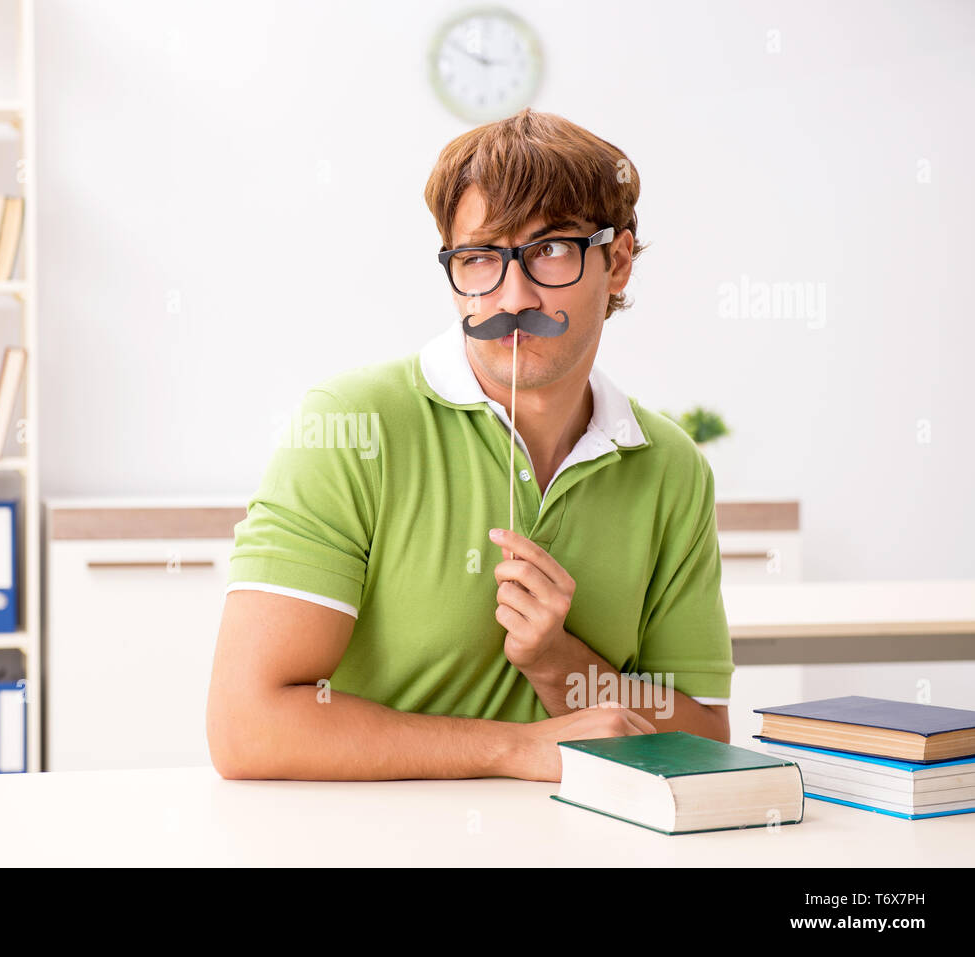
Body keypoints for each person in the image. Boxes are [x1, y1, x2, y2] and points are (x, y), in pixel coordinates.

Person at [207, 109, 733, 782]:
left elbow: (706, 740)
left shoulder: (670, 467)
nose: (512, 295)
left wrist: (557, 661)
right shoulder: (350, 426)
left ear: (618, 261)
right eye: (481, 258)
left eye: (549, 251)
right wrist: (515, 749)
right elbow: (245, 726)